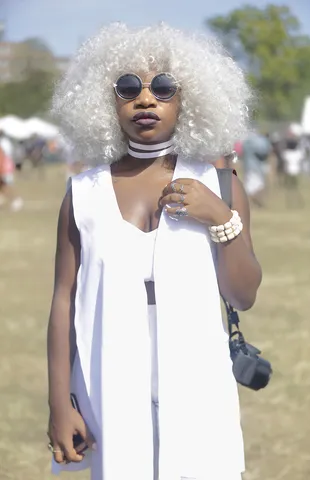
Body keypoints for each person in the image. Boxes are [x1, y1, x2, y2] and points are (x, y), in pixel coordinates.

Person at [47, 23, 262, 480]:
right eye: (128, 87)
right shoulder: (82, 193)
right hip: (109, 389)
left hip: (199, 391)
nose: (146, 99)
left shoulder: (220, 184)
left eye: (163, 86)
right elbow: (63, 300)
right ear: (107, 102)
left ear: (188, 99)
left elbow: (244, 296)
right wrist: (59, 403)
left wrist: (221, 216)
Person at [241, 131, 271, 207]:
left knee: (255, 187)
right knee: (254, 188)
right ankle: (251, 204)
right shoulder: (255, 142)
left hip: (250, 167)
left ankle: (254, 204)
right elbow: (263, 151)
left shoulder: (247, 142)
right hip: (255, 168)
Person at [0, 130, 23, 211]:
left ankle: (16, 199)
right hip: (6, 165)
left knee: (6, 184)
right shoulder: (6, 142)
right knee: (3, 184)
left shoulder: (3, 143)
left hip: (4, 166)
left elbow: (2, 156)